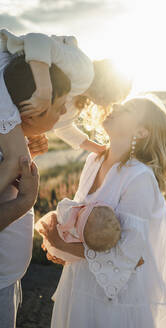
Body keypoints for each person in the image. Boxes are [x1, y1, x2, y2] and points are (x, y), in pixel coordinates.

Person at [40, 95, 166, 327]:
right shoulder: (94, 161)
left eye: (128, 109)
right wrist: (61, 246)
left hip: (114, 300)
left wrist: (64, 245)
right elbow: (83, 226)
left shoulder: (139, 177)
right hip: (78, 285)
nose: (115, 105)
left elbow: (131, 256)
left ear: (142, 132)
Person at [0, 29, 131, 193]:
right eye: (116, 97)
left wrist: (99, 149)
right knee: (16, 159)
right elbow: (37, 40)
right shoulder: (84, 72)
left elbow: (63, 128)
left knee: (16, 163)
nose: (111, 104)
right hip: (3, 67)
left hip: (8, 88)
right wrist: (44, 90)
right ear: (110, 82)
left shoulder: (76, 99)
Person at [0, 50, 70, 328]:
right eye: (61, 105)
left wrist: (25, 148)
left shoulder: (10, 148)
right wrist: (25, 201)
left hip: (7, 279)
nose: (65, 112)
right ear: (30, 113)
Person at [35, 198, 121, 263]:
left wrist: (57, 245)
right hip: (70, 257)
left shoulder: (70, 218)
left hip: (56, 234)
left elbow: (62, 206)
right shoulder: (83, 237)